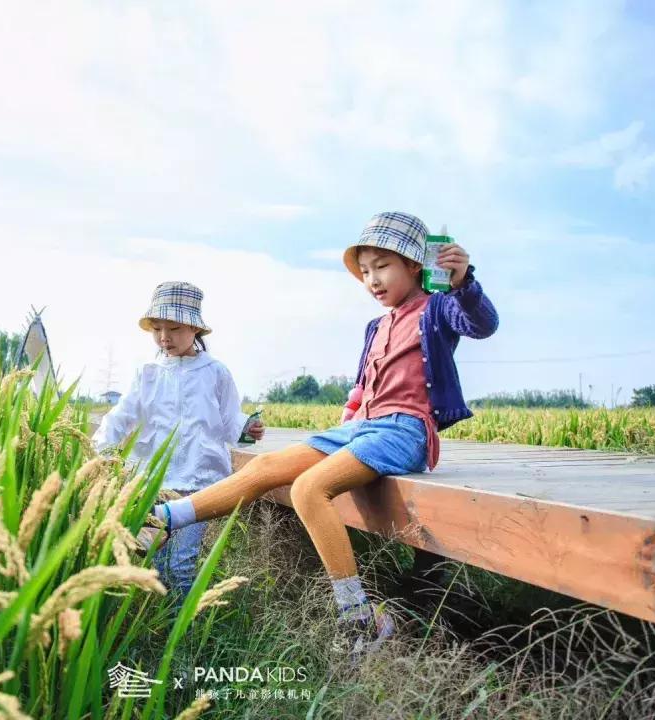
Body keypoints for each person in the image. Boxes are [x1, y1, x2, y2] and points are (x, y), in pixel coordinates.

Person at [141, 212, 498, 658]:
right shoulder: (376, 326)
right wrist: (342, 425)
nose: (372, 279)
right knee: (270, 466)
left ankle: (358, 620)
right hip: (359, 429)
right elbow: (361, 388)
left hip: (404, 429)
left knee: (309, 488)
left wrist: (464, 282)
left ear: (414, 265)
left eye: (383, 266)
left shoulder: (438, 309)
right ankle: (163, 520)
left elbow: (481, 324)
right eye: (365, 271)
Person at [94, 280, 265, 600]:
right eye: (157, 328)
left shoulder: (215, 372)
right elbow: (121, 416)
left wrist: (248, 429)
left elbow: (231, 421)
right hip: (155, 483)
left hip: (199, 483)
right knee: (157, 566)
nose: (164, 337)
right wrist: (99, 451)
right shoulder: (147, 372)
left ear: (194, 329)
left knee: (183, 564)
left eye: (173, 328)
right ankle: (162, 627)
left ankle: (183, 632)